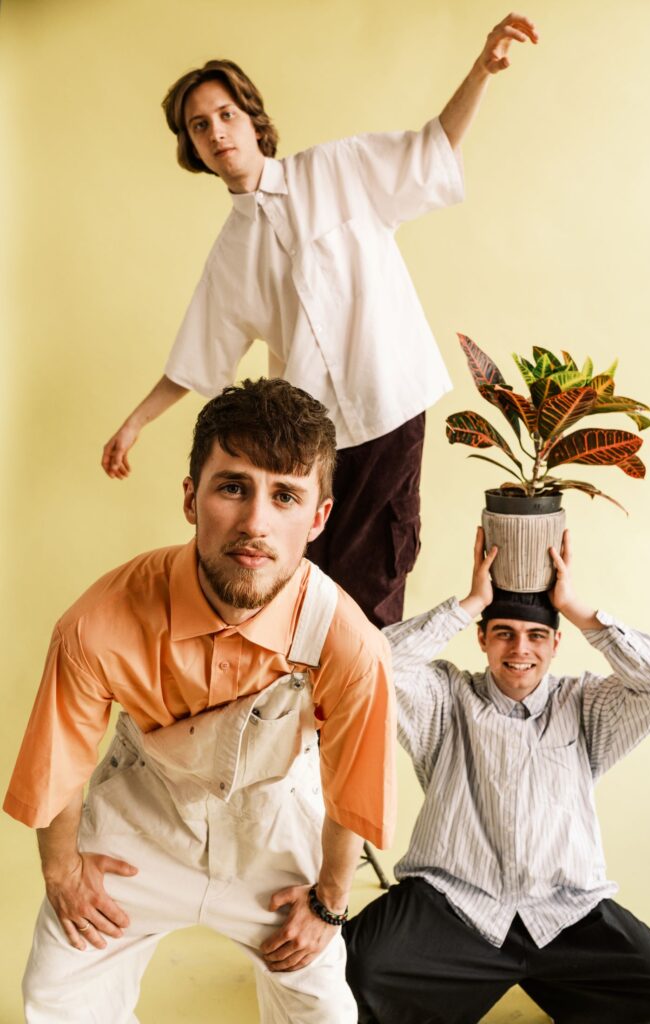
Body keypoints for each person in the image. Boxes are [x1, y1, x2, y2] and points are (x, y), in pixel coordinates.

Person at [100, 14, 540, 627]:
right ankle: (304, 689)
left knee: (377, 571)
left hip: (389, 402)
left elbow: (431, 149)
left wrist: (481, 71)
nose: (217, 132)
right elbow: (198, 354)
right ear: (192, 148)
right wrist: (134, 424)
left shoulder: (338, 169)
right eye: (200, 126)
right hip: (312, 432)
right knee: (307, 577)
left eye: (226, 114)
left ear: (253, 120)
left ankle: (370, 685)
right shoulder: (230, 255)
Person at [7, 378, 395, 1024]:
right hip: (142, 819)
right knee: (57, 994)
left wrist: (329, 903)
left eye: (285, 495)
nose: (255, 524)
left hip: (273, 825)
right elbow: (58, 768)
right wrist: (63, 873)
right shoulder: (98, 622)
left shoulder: (350, 644)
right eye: (233, 487)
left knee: (323, 1012)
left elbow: (355, 789)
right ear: (191, 498)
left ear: (318, 518)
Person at [344, 529, 650, 1024]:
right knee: (348, 971)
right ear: (482, 639)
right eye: (504, 632)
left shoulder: (584, 704)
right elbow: (372, 660)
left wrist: (575, 607)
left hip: (564, 913)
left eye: (536, 635)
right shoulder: (445, 698)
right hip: (455, 907)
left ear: (556, 643)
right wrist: (470, 603)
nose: (520, 649)